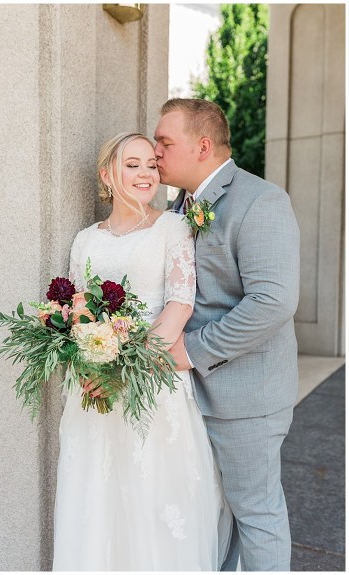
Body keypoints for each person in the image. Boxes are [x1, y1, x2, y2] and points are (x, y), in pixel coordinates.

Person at [53, 132, 232, 571]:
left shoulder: (172, 227)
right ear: (106, 175)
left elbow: (179, 303)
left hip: (151, 380)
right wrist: (89, 360)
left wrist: (127, 369)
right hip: (93, 387)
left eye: (151, 164)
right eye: (132, 165)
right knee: (97, 499)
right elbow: (75, 307)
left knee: (154, 501)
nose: (145, 173)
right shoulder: (85, 240)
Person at [155, 98, 300, 571]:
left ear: (201, 146)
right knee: (216, 518)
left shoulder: (261, 201)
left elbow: (272, 302)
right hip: (192, 395)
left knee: (256, 516)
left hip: (247, 398)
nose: (156, 151)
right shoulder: (178, 207)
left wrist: (191, 350)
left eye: (164, 142)